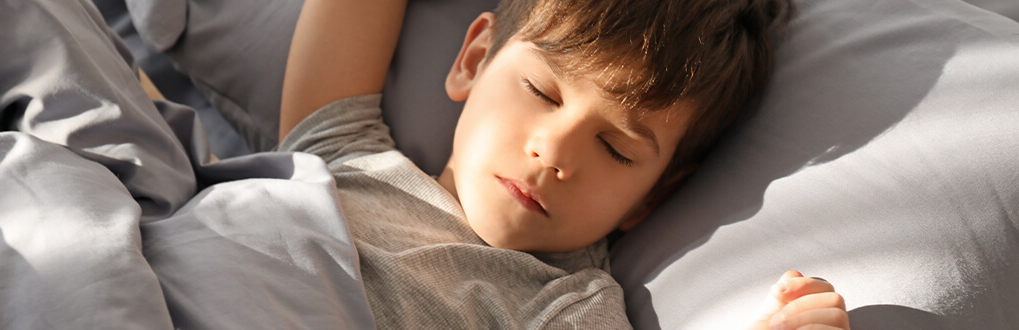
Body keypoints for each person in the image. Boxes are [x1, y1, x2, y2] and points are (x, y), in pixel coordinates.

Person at [276, 0, 850, 328]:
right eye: (542, 92)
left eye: (615, 148)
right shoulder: (338, 155)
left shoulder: (567, 311)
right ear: (475, 59)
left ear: (651, 199)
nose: (553, 153)